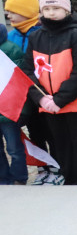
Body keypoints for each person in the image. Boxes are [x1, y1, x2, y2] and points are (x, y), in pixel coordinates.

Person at [21, 0, 77, 185]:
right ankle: (67, 180)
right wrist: (41, 98)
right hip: (48, 106)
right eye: (47, 8)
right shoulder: (36, 37)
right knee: (59, 146)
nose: (51, 13)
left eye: (56, 8)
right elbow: (27, 71)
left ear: (66, 9)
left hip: (74, 105)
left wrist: (60, 99)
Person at [5, 0, 52, 183]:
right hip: (21, 100)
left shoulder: (41, 33)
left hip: (42, 95)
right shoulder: (11, 36)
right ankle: (42, 168)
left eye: (13, 11)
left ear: (26, 11)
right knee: (34, 136)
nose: (9, 15)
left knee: (50, 134)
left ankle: (56, 169)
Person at [0, 22, 27, 185]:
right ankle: (3, 179)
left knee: (14, 147)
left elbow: (17, 80)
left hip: (8, 109)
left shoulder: (11, 49)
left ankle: (19, 177)